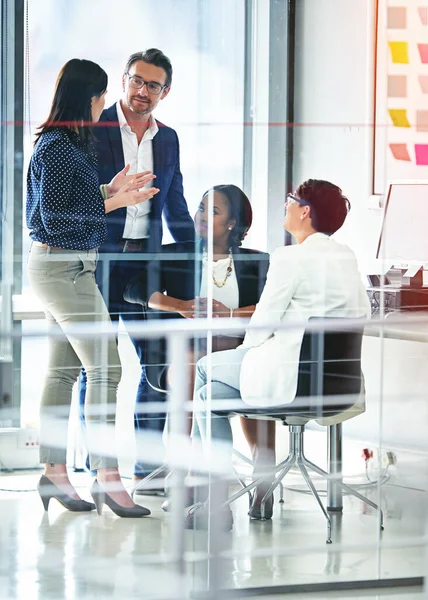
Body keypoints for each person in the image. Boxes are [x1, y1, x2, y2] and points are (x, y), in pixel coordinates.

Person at [187, 178, 372, 530]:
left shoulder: (290, 257)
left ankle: (216, 496)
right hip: (335, 384)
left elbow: (262, 323)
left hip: (289, 377)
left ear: (305, 211)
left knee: (205, 370)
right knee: (210, 396)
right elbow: (361, 309)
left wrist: (244, 356)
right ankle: (256, 482)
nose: (285, 205)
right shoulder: (346, 256)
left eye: (291, 200)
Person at [26, 58, 159, 517]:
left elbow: (71, 201)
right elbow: (53, 220)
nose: (105, 104)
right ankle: (108, 478)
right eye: (102, 95)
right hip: (63, 269)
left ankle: (55, 473)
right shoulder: (57, 146)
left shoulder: (68, 143)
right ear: (89, 97)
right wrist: (117, 200)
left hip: (67, 266)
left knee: (63, 373)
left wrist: (110, 188)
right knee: (107, 369)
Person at [78, 49, 194, 488]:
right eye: (136, 81)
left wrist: (195, 252)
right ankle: (97, 468)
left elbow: (175, 203)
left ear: (166, 92)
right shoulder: (94, 127)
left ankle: (148, 467)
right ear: (124, 79)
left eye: (153, 85)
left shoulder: (168, 139)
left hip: (145, 264)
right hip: (99, 261)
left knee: (156, 366)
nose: (142, 91)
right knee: (98, 368)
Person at [124, 184, 273, 510]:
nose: (201, 216)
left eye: (213, 211)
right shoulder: (176, 254)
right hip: (184, 356)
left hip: (238, 355)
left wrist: (233, 314)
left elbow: (273, 308)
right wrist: (180, 305)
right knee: (195, 367)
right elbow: (134, 291)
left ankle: (264, 474)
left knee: (255, 369)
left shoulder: (258, 262)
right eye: (200, 208)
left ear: (232, 224)